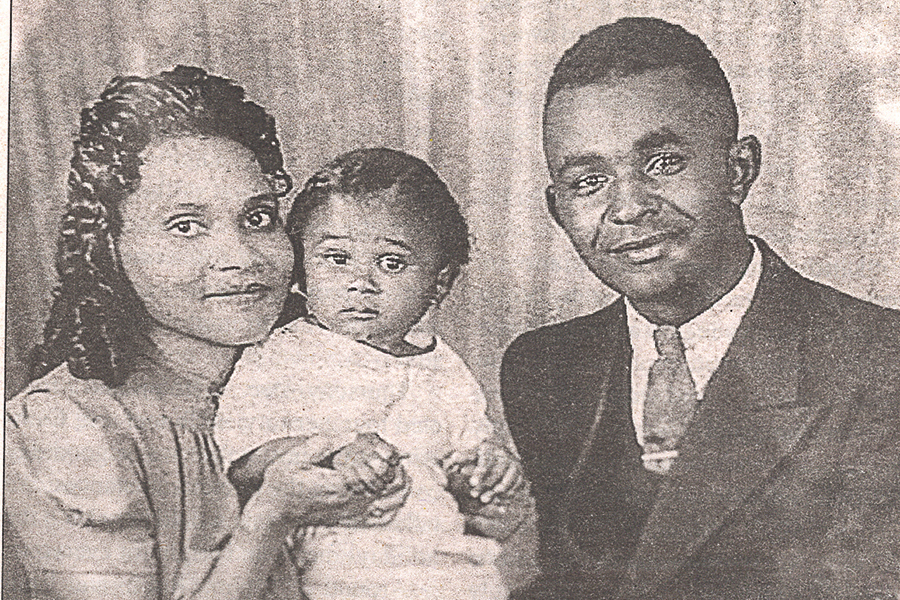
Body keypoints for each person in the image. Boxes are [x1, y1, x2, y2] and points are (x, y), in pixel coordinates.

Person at [501, 17, 900, 600]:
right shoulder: (544, 367)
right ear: (557, 209)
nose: (628, 207)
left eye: (662, 162)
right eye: (589, 181)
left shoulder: (878, 360)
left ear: (739, 170)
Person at [4, 67, 410, 600]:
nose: (241, 257)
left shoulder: (321, 367)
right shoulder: (67, 425)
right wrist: (269, 518)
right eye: (187, 226)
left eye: (258, 218)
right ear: (109, 250)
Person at [215, 148, 532, 600]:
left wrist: (486, 469)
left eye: (391, 263)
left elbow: (464, 458)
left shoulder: (443, 366)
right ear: (302, 272)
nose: (361, 282)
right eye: (337, 259)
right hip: (341, 572)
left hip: (449, 566)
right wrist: (332, 452)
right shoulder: (281, 354)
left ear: (438, 284)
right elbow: (242, 460)